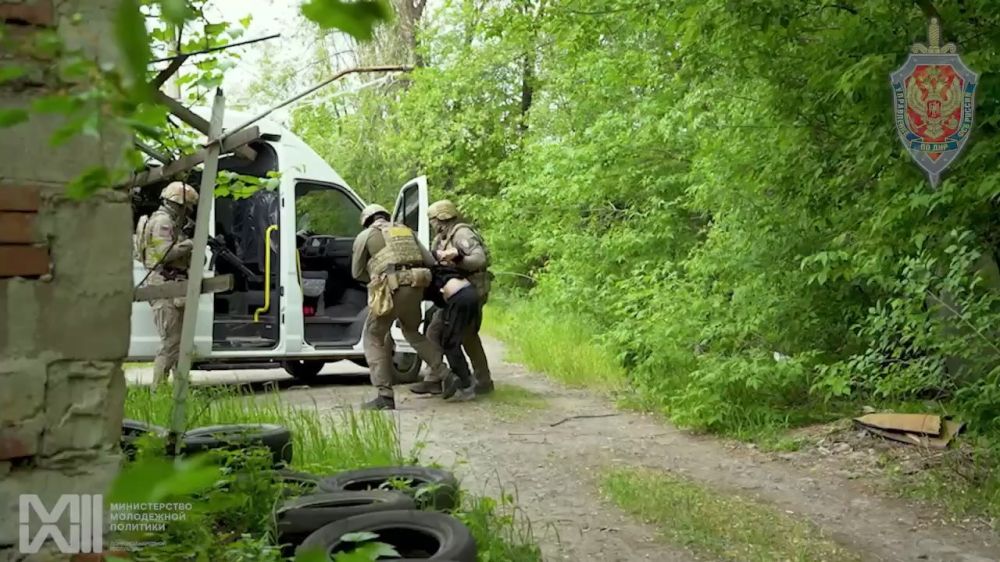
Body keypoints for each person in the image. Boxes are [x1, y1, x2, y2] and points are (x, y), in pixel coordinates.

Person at [351, 204, 454, 410]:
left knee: (374, 337)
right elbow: (429, 260)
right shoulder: (407, 231)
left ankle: (385, 395)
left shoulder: (366, 236)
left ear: (366, 221)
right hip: (416, 287)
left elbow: (356, 272)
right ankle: (446, 374)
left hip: (391, 290)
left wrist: (377, 277)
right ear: (386, 217)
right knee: (412, 332)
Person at [411, 200, 494, 396]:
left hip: (470, 292)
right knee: (435, 331)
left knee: (467, 336)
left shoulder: (462, 234)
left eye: (432, 219)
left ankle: (482, 380)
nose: (431, 223)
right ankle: (435, 377)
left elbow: (479, 259)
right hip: (451, 293)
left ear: (442, 217)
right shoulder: (441, 238)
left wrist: (457, 258)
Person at [134, 181, 198, 386]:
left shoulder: (159, 220)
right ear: (178, 204)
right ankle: (157, 391)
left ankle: (180, 387)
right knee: (170, 343)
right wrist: (189, 245)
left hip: (168, 284)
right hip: (165, 285)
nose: (186, 212)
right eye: (186, 208)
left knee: (178, 343)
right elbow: (163, 255)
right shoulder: (163, 222)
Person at [424, 264, 481, 401]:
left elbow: (437, 298)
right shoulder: (441, 269)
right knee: (453, 340)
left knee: (450, 343)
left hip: (459, 298)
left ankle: (466, 384)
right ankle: (465, 382)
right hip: (471, 294)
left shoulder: (428, 276)